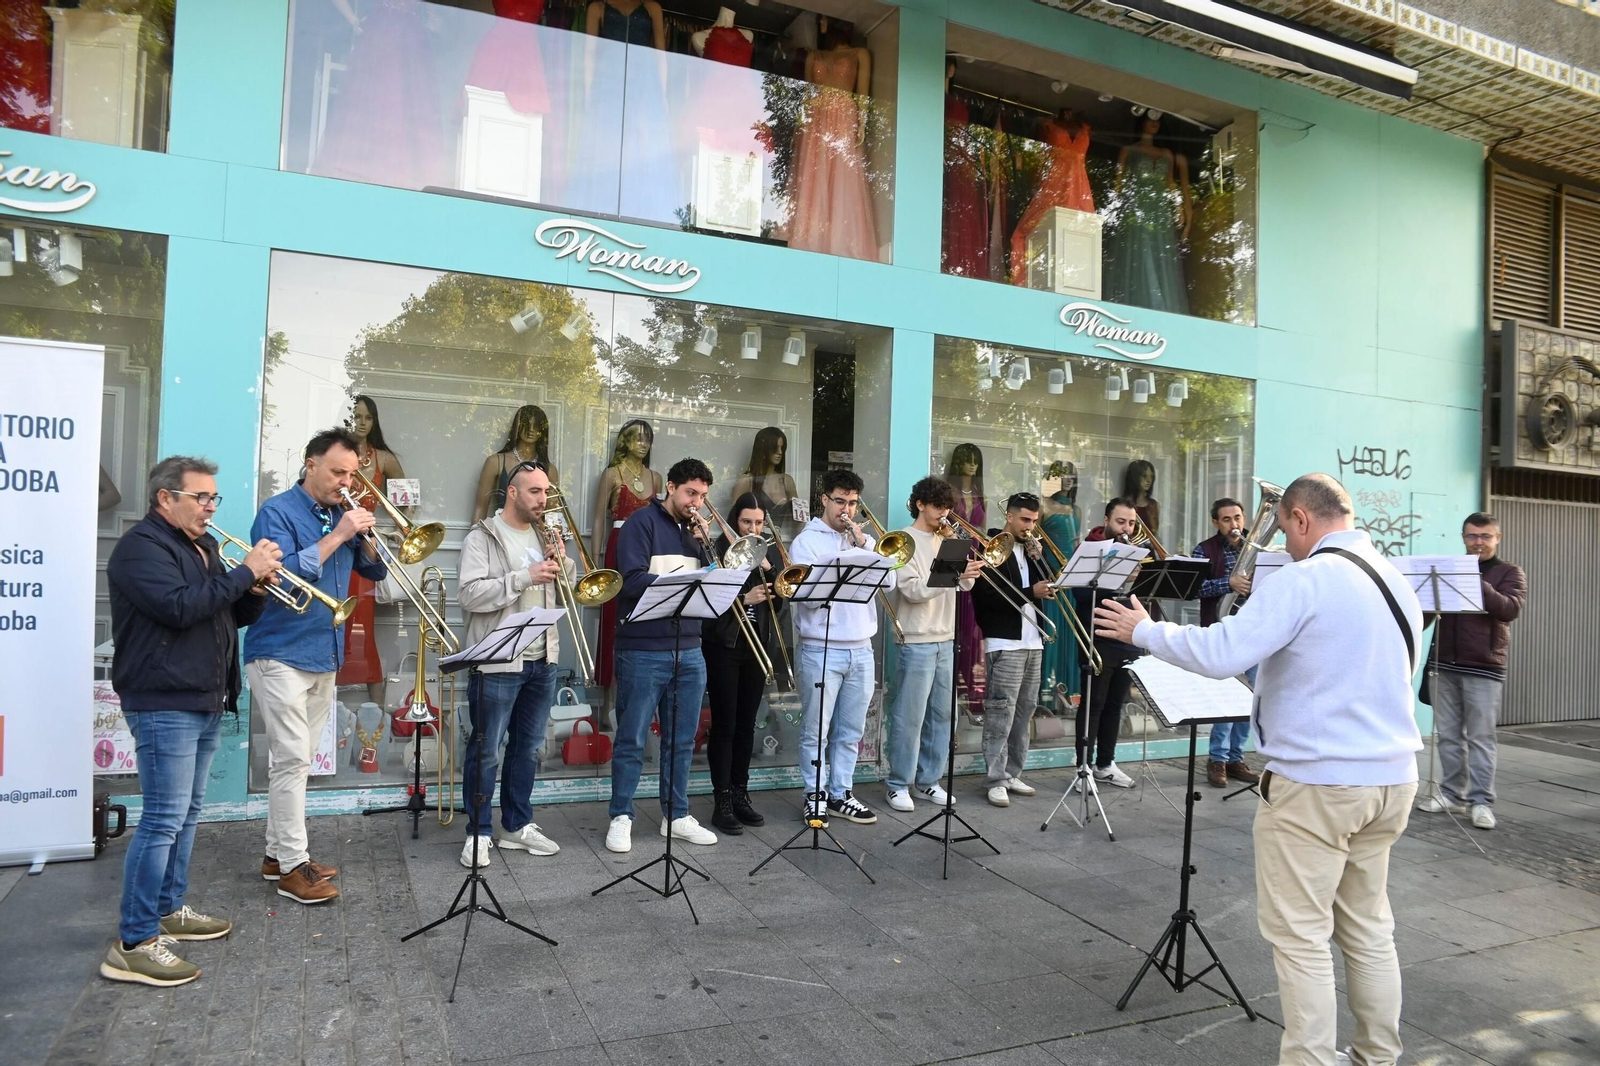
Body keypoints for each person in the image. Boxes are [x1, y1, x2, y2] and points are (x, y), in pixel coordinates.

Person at [1094, 474, 1423, 1066]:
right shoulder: (1397, 578)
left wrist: (1142, 630)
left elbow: (1222, 654)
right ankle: (1377, 1056)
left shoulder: (1306, 580)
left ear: (1299, 518)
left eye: (1283, 529)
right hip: (1392, 776)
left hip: (1318, 780)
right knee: (1370, 929)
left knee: (1300, 938)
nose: (1282, 547)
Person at [100, 457, 280, 987]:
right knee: (161, 819)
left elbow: (222, 612)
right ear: (165, 498)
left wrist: (256, 591)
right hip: (163, 700)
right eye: (201, 498)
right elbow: (180, 608)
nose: (210, 508)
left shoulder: (199, 547)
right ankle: (134, 940)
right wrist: (245, 571)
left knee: (187, 813)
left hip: (201, 695)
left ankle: (169, 908)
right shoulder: (140, 550)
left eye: (213, 499)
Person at [245, 427, 388, 905]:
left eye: (352, 473)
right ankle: (292, 866)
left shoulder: (340, 514)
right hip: (279, 650)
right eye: (336, 472)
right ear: (310, 464)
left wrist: (365, 537)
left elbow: (376, 572)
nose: (345, 481)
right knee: (291, 759)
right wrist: (342, 534)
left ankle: (275, 856)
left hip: (324, 651)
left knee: (298, 762)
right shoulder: (277, 512)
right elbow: (281, 573)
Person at [455, 459, 575, 869]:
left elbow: (569, 588)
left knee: (528, 749)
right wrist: (524, 576)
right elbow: (470, 595)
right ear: (513, 492)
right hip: (498, 659)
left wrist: (563, 559)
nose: (544, 499)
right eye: (535, 492)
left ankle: (516, 825)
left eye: (546, 491)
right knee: (487, 750)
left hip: (543, 657)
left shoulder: (545, 534)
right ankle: (478, 831)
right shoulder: (482, 537)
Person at [605, 457, 720, 854]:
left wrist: (709, 549)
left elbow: (719, 582)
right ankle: (621, 816)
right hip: (642, 647)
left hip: (689, 647)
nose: (697, 503)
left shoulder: (696, 532)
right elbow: (631, 580)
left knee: (681, 739)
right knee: (633, 738)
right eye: (691, 493)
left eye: (703, 496)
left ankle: (677, 814)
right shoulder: (641, 523)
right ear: (670, 487)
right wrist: (684, 580)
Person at [789, 469, 896, 825]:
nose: (846, 510)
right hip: (820, 647)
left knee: (851, 730)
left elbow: (891, 579)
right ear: (824, 499)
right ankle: (814, 794)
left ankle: (841, 793)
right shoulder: (807, 542)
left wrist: (864, 544)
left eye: (852, 503)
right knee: (816, 730)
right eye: (840, 502)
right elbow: (804, 599)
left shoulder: (863, 539)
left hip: (861, 647)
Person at [1416, 511, 1526, 831]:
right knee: (1448, 736)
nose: (1477, 542)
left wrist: (1474, 582)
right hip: (1443, 663)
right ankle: (1451, 793)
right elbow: (1426, 619)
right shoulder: (1447, 570)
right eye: (1471, 536)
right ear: (1463, 538)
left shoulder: (1509, 572)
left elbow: (1510, 608)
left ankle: (1481, 801)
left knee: (1480, 738)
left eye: (1484, 536)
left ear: (1497, 538)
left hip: (1483, 665)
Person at [884, 476, 981, 813]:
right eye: (938, 506)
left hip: (945, 636)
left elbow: (961, 589)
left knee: (943, 716)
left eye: (947, 507)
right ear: (920, 504)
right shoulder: (903, 540)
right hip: (916, 638)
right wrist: (952, 576)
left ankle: (929, 781)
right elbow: (912, 591)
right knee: (909, 716)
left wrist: (967, 573)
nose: (944, 513)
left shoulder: (947, 540)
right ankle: (898, 784)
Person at [701, 493, 789, 834]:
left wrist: (769, 569)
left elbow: (782, 599)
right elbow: (705, 607)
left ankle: (740, 793)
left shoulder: (763, 554)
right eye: (746, 522)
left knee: (746, 724)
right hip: (725, 646)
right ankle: (721, 799)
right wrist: (743, 597)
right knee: (724, 725)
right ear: (733, 521)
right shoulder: (717, 552)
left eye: (758, 522)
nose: (753, 528)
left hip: (756, 648)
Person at [972, 493, 1056, 807]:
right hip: (1005, 641)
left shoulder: (1032, 549)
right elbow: (987, 596)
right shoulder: (991, 546)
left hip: (1033, 640)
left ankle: (1012, 773)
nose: (1030, 527)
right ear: (1009, 516)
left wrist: (1040, 560)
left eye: (1034, 521)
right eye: (1025, 520)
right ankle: (994, 778)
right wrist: (1029, 592)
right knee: (1000, 712)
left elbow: (1049, 587)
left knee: (1024, 712)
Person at [1069, 498, 1143, 789]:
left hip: (1126, 636)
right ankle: (1082, 768)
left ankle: (1105, 764)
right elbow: (1081, 597)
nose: (1126, 528)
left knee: (1116, 704)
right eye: (1121, 521)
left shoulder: (1137, 553)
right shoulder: (1089, 549)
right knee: (1093, 704)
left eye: (1131, 523)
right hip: (1096, 635)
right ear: (1107, 520)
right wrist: (1114, 578)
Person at [339, 394, 406, 707]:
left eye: (367, 417)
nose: (361, 422)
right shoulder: (336, 454)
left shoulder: (385, 458)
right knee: (334, 625)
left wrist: (398, 529)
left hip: (366, 546)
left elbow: (406, 502)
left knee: (363, 629)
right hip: (336, 542)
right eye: (356, 416)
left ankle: (376, 716)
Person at [1193, 497, 1260, 789]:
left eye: (1238, 518)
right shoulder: (1204, 550)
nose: (1234, 525)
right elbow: (1192, 588)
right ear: (1216, 523)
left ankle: (1235, 757)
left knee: (1252, 696)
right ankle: (1217, 759)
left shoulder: (1257, 549)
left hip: (1256, 631)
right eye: (1227, 520)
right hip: (1222, 632)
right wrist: (1227, 584)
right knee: (1226, 697)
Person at [592, 419, 661, 691]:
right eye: (637, 438)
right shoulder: (612, 474)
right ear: (624, 441)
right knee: (612, 617)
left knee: (648, 612)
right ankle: (609, 693)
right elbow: (598, 518)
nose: (643, 444)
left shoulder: (655, 477)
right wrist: (595, 559)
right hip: (619, 545)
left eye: (647, 439)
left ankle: (643, 686)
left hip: (650, 548)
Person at [945, 443, 987, 712]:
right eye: (966, 459)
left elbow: (981, 528)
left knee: (972, 627)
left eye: (975, 460)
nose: (971, 464)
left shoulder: (981, 494)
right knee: (954, 623)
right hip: (953, 555)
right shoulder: (949, 492)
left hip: (975, 559)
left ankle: (972, 688)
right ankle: (952, 684)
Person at [1038, 461, 1080, 707]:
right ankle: (1045, 695)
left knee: (1067, 637)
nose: (1068, 479)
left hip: (1069, 579)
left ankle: (1066, 694)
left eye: (1072, 475)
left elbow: (1075, 546)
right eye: (1062, 475)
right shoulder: (1044, 505)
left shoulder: (1077, 509)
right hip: (1049, 577)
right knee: (1050, 636)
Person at [473, 403, 559, 523]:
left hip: (535, 536)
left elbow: (552, 513)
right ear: (517, 427)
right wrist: (475, 538)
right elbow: (480, 508)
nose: (531, 430)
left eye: (537, 426)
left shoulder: (549, 470)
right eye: (526, 425)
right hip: (503, 533)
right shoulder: (495, 462)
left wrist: (556, 537)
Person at [1122, 459, 1159, 536]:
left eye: (1151, 477)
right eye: (1144, 476)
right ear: (1135, 477)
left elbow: (1154, 533)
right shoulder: (1123, 505)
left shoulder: (1153, 505)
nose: (1149, 480)